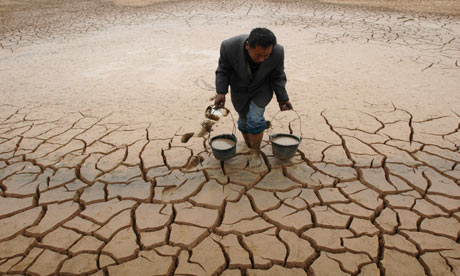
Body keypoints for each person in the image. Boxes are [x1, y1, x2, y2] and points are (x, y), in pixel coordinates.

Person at [214, 27, 293, 155]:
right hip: (239, 89)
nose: (262, 59)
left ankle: (255, 152)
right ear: (247, 46)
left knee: (255, 119)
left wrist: (282, 98)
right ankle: (250, 146)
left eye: (266, 56)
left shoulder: (278, 52)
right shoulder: (229, 47)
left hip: (261, 89)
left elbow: (278, 76)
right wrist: (221, 92)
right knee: (244, 121)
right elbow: (223, 71)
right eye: (258, 55)